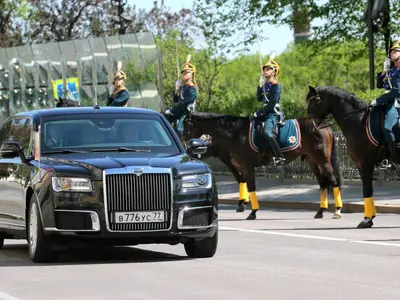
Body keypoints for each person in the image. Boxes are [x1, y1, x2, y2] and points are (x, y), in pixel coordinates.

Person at [373, 40, 400, 170]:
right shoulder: (392, 70)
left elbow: (395, 91)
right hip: (388, 101)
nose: (392, 53)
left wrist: (378, 100)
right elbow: (379, 84)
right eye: (391, 51)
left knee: (387, 126)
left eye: (395, 51)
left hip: (396, 102)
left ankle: (393, 160)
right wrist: (384, 71)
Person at [253, 59, 285, 165]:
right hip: (265, 113)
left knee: (267, 132)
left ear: (274, 72)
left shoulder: (276, 86)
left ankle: (279, 156)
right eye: (264, 69)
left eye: (268, 69)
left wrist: (260, 112)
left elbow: (272, 104)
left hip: (273, 113)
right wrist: (259, 86)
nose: (265, 71)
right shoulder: (264, 86)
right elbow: (258, 98)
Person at [165, 61, 198, 136]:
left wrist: (172, 110)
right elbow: (176, 100)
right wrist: (177, 89)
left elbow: (184, 104)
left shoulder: (192, 89)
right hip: (179, 112)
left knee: (179, 129)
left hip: (186, 113)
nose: (184, 74)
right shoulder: (184, 87)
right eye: (183, 73)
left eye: (186, 72)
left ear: (191, 74)